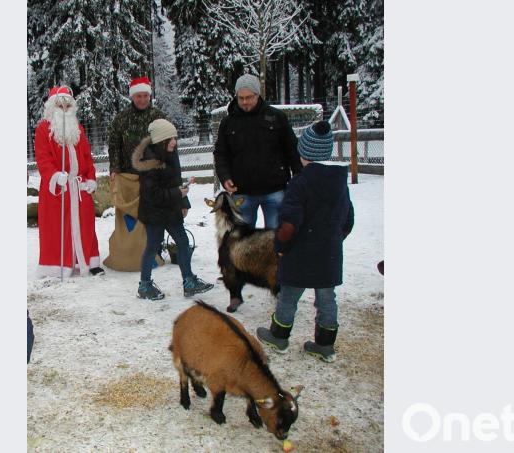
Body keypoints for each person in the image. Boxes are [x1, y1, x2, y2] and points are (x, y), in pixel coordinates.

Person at [255, 121, 354, 363]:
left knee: (288, 296)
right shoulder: (339, 181)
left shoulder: (300, 183)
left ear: (304, 153)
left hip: (299, 255)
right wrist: (334, 239)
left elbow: (289, 223)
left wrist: (280, 248)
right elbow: (348, 218)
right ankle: (325, 344)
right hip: (328, 254)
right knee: (327, 298)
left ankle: (279, 336)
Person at [131, 119, 214, 300]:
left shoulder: (171, 153)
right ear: (160, 140)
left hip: (171, 209)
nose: (174, 142)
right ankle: (144, 285)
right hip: (154, 212)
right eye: (170, 139)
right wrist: (177, 194)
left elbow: (176, 180)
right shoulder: (149, 161)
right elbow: (152, 193)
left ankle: (189, 281)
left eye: (175, 138)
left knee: (183, 242)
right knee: (153, 245)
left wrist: (183, 202)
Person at [213, 73, 302, 229]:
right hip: (242, 192)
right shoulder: (228, 123)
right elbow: (221, 154)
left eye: (249, 97)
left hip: (275, 189)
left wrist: (298, 179)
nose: (245, 102)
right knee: (244, 243)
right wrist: (225, 177)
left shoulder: (276, 117)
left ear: (258, 95)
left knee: (276, 239)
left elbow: (292, 150)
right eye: (241, 98)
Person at [34, 86, 104, 278]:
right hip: (58, 188)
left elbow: (87, 157)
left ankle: (90, 261)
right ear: (52, 106)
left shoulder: (78, 129)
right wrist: (56, 175)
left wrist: (90, 178)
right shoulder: (43, 130)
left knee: (86, 224)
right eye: (59, 104)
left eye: (67, 105)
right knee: (57, 227)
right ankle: (56, 266)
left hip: (78, 187)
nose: (63, 108)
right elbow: (43, 158)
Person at [104, 76, 167, 271]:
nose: (142, 100)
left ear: (149, 95)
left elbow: (166, 144)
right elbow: (114, 145)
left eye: (145, 95)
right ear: (132, 97)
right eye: (138, 96)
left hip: (151, 175)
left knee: (151, 217)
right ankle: (127, 254)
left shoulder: (158, 117)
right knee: (128, 218)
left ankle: (151, 252)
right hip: (127, 177)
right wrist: (114, 168)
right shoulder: (121, 118)